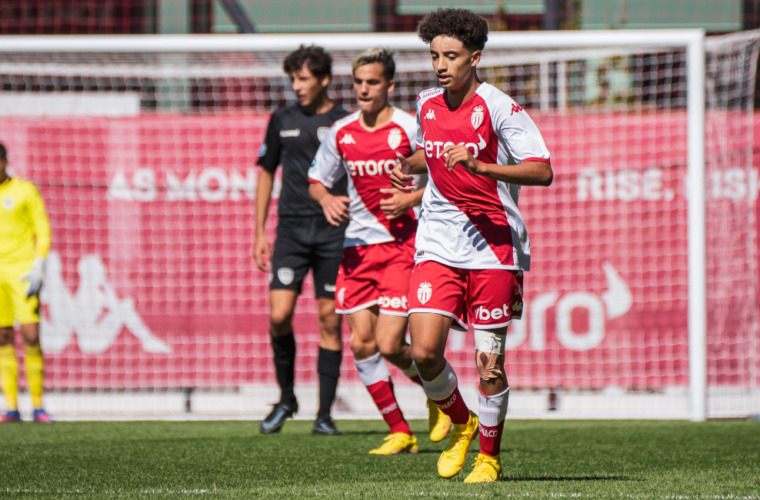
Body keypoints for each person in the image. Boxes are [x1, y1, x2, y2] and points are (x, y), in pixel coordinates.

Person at [391, 9, 552, 482]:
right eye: (435, 56)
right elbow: (434, 153)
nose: (441, 65)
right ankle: (463, 423)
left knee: (490, 367)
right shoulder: (426, 102)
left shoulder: (500, 107)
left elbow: (542, 169)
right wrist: (411, 166)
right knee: (423, 352)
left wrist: (484, 168)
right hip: (437, 241)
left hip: (493, 250)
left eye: (451, 56)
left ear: (475, 57)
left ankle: (489, 457)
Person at [308, 47, 451, 455]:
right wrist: (325, 200)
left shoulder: (410, 127)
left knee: (390, 343)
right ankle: (400, 432)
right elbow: (317, 179)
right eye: (358, 82)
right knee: (360, 344)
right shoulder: (342, 131)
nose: (364, 89)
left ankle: (438, 396)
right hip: (356, 249)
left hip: (402, 246)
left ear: (389, 85)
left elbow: (444, 172)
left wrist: (412, 199)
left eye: (372, 82)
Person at [254, 45, 349, 435]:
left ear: (325, 79)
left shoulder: (346, 121)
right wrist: (259, 232)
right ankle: (287, 397)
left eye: (304, 78)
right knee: (278, 315)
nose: (297, 86)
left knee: (329, 319)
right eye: (293, 79)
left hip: (333, 231)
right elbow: (265, 172)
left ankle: (324, 414)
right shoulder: (281, 118)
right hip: (291, 230)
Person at [0, 142, 54, 423]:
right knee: (2, 338)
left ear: (5, 161)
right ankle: (10, 407)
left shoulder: (24, 190)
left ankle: (38, 405)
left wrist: (38, 266)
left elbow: (42, 229)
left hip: (21, 272)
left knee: (31, 336)